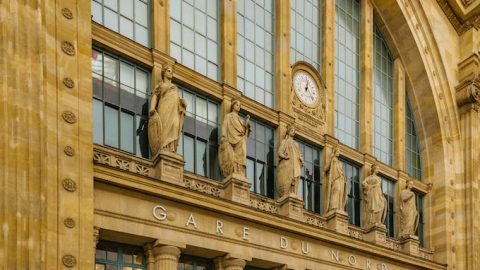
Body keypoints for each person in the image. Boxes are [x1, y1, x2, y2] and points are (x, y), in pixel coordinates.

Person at [148, 64, 186, 155]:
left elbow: (177, 99)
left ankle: (171, 148)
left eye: (171, 71)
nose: (171, 73)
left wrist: (182, 103)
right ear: (164, 73)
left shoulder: (174, 86)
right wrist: (152, 108)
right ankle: (164, 148)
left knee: (175, 125)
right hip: (164, 108)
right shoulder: (160, 85)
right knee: (164, 128)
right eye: (169, 71)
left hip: (175, 110)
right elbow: (155, 96)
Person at [218, 100, 250, 178]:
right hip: (231, 137)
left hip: (240, 138)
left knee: (242, 153)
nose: (239, 107)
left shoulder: (240, 119)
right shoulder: (228, 116)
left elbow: (243, 129)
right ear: (233, 106)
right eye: (237, 105)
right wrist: (223, 136)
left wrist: (247, 124)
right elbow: (225, 126)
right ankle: (234, 169)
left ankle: (239, 171)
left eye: (239, 105)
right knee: (232, 155)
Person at [276, 125, 304, 199]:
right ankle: (287, 194)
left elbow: (299, 154)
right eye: (292, 130)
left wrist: (301, 159)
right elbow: (279, 152)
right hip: (289, 164)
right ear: (288, 132)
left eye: (294, 130)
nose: (293, 132)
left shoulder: (296, 144)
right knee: (289, 178)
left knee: (295, 178)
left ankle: (293, 193)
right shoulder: (285, 142)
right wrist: (284, 156)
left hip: (296, 164)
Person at [325, 146, 347, 213]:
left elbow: (341, 171)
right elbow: (326, 168)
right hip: (335, 179)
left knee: (340, 192)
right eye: (337, 151)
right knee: (336, 190)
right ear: (334, 152)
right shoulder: (332, 160)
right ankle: (333, 207)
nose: (339, 153)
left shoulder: (340, 162)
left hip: (341, 178)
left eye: (339, 152)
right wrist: (331, 159)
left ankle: (339, 208)